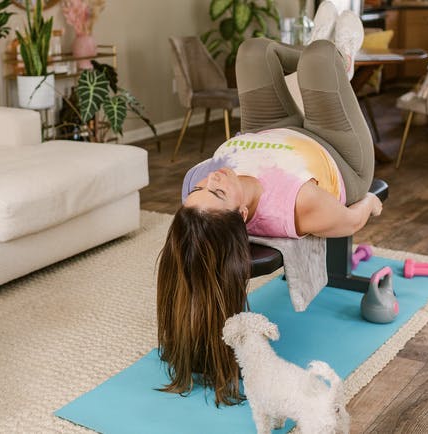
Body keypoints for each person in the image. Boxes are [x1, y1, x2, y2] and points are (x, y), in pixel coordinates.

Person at [156, 4, 384, 407]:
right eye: (218, 193)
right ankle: (339, 61)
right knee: (318, 60)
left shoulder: (199, 187)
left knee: (253, 51)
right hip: (339, 154)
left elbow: (199, 224)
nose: (212, 178)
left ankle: (324, 59)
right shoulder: (297, 204)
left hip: (270, 132)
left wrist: (206, 198)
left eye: (203, 187)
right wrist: (369, 203)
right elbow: (350, 220)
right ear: (242, 216)